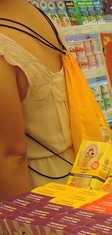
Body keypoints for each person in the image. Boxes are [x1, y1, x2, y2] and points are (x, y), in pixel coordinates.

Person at [0, 0, 75, 201]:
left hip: (35, 187)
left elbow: (10, 155)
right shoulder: (38, 15)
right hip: (73, 171)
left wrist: (18, 218)